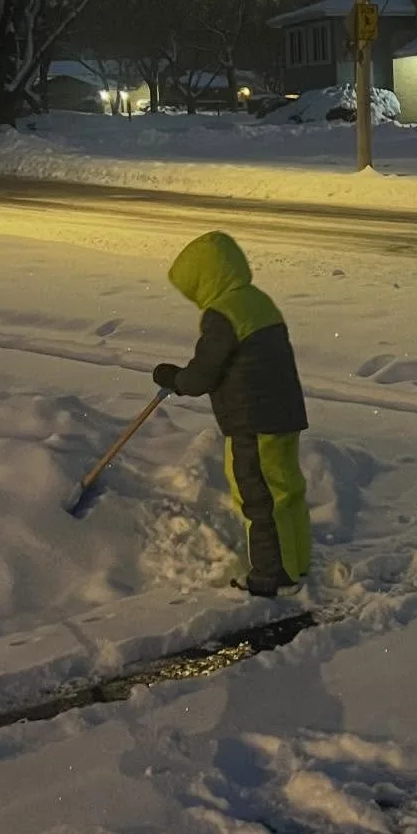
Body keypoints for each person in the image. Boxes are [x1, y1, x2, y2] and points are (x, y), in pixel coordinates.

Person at [153, 231, 312, 595]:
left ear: (205, 279)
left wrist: (174, 378)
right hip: (285, 414)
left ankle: (272, 575)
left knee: (258, 495)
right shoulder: (258, 302)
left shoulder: (222, 314)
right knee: (286, 491)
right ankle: (296, 563)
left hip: (253, 420)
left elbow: (204, 373)